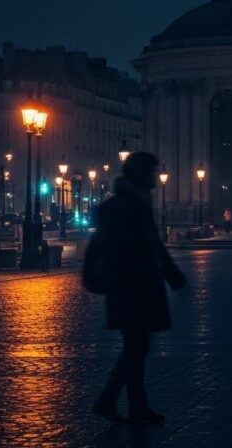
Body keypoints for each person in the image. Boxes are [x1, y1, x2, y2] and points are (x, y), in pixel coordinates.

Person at [92, 151, 188, 424]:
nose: (156, 177)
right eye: (152, 172)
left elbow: (151, 246)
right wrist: (173, 277)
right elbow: (148, 247)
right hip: (133, 288)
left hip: (130, 288)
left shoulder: (130, 204)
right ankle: (118, 403)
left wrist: (172, 276)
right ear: (143, 175)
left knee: (136, 348)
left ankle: (126, 404)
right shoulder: (130, 206)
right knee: (136, 347)